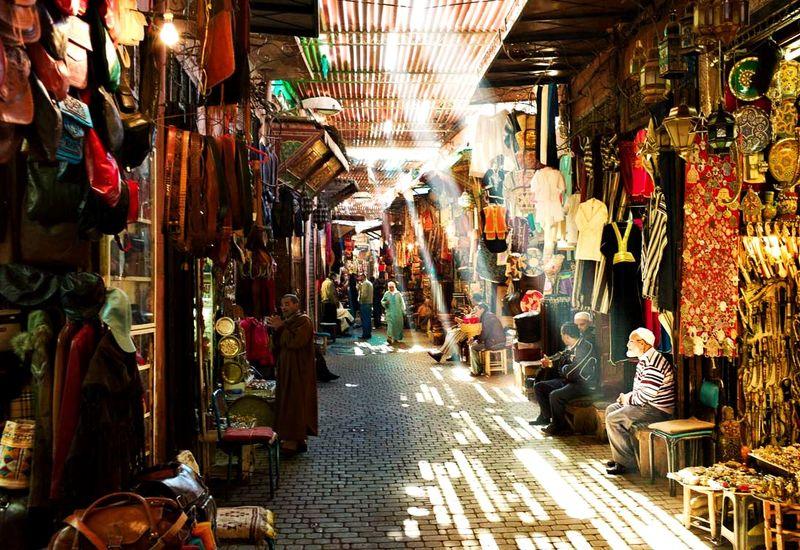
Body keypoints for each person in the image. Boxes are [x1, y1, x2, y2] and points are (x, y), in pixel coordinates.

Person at [604, 327, 675, 475]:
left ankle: (627, 464)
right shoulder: (646, 359)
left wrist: (626, 399)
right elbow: (641, 392)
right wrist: (627, 398)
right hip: (647, 404)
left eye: (631, 341)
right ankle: (622, 457)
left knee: (613, 418)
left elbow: (644, 397)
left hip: (656, 410)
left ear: (642, 344)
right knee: (611, 409)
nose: (628, 345)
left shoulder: (653, 364)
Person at [267, 295, 318, 456]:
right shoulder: (288, 322)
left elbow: (296, 342)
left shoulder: (304, 321)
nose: (284, 308)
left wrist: (281, 327)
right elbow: (278, 344)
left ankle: (292, 441)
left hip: (298, 370)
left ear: (296, 305)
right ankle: (297, 440)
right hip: (286, 368)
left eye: (287, 304)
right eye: (282, 305)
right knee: (289, 401)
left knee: (295, 402)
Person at [529, 323, 598, 435]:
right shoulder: (570, 347)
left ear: (565, 336)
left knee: (555, 395)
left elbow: (572, 370)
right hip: (569, 380)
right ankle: (545, 417)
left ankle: (559, 426)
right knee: (539, 387)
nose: (562, 338)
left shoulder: (585, 346)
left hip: (583, 384)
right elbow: (562, 361)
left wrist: (563, 368)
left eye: (562, 335)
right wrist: (552, 363)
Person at [428, 293, 484, 363]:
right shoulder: (476, 307)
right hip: (469, 328)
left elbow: (475, 320)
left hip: (473, 330)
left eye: (472, 298)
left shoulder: (480, 307)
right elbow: (471, 320)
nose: (471, 300)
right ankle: (453, 354)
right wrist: (461, 321)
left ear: (475, 299)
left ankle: (441, 353)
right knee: (450, 333)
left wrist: (463, 321)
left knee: (453, 335)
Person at [468, 302, 506, 376]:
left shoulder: (487, 317)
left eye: (477, 310)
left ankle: (476, 371)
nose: (475, 312)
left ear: (482, 309)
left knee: (473, 347)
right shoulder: (487, 315)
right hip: (495, 341)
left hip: (495, 342)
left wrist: (477, 341)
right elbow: (484, 332)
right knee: (474, 345)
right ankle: (479, 368)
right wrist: (474, 338)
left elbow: (485, 333)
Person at [358, 274, 373, 339]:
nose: (359, 277)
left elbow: (364, 295)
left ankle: (365, 334)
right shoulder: (369, 283)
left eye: (360, 276)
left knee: (365, 320)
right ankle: (368, 333)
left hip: (365, 303)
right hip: (369, 303)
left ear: (363, 276)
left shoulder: (365, 283)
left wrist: (360, 300)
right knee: (368, 319)